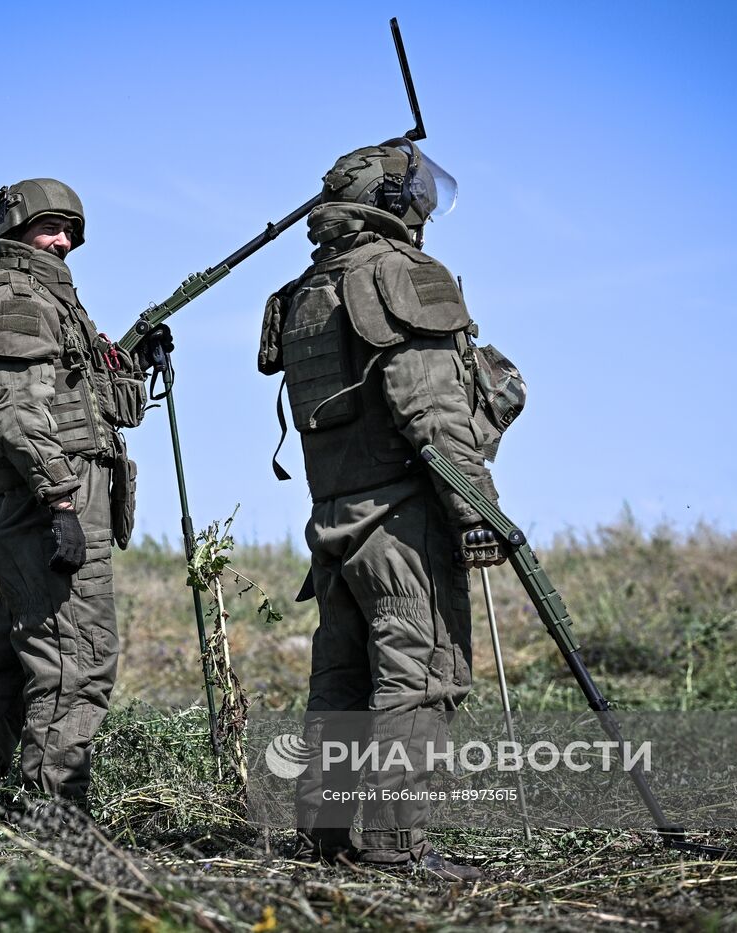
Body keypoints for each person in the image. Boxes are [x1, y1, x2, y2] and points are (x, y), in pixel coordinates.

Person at [258, 141, 523, 879]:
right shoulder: (401, 274)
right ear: (393, 200)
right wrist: (477, 507)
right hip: (401, 518)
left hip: (335, 519)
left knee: (343, 675)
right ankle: (395, 848)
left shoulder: (314, 287)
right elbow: (430, 408)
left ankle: (328, 835)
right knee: (422, 675)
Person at [0, 178, 161, 808]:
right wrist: (62, 502)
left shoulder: (53, 306)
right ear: (15, 231)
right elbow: (15, 417)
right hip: (53, 500)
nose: (63, 240)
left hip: (54, 495)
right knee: (77, 658)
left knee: (17, 657)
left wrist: (129, 360)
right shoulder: (19, 301)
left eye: (70, 230)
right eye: (48, 228)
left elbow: (100, 408)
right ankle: (54, 815)